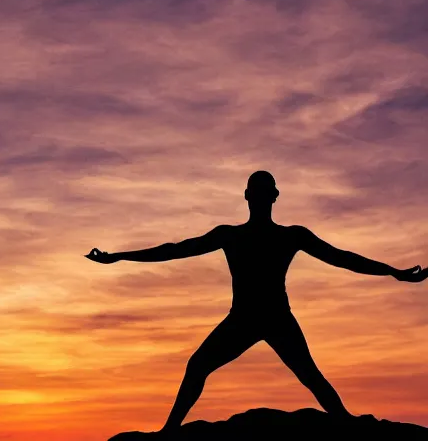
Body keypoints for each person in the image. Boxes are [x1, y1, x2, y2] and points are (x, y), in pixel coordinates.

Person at [86, 170, 427, 432]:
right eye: (259, 192)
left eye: (264, 192)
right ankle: (169, 431)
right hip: (246, 318)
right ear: (253, 196)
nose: (261, 197)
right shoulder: (234, 235)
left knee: (307, 376)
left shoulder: (285, 235)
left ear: (265, 196)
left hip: (273, 318)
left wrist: (392, 272)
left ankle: (347, 424)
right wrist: (119, 256)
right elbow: (175, 250)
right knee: (203, 366)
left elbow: (341, 257)